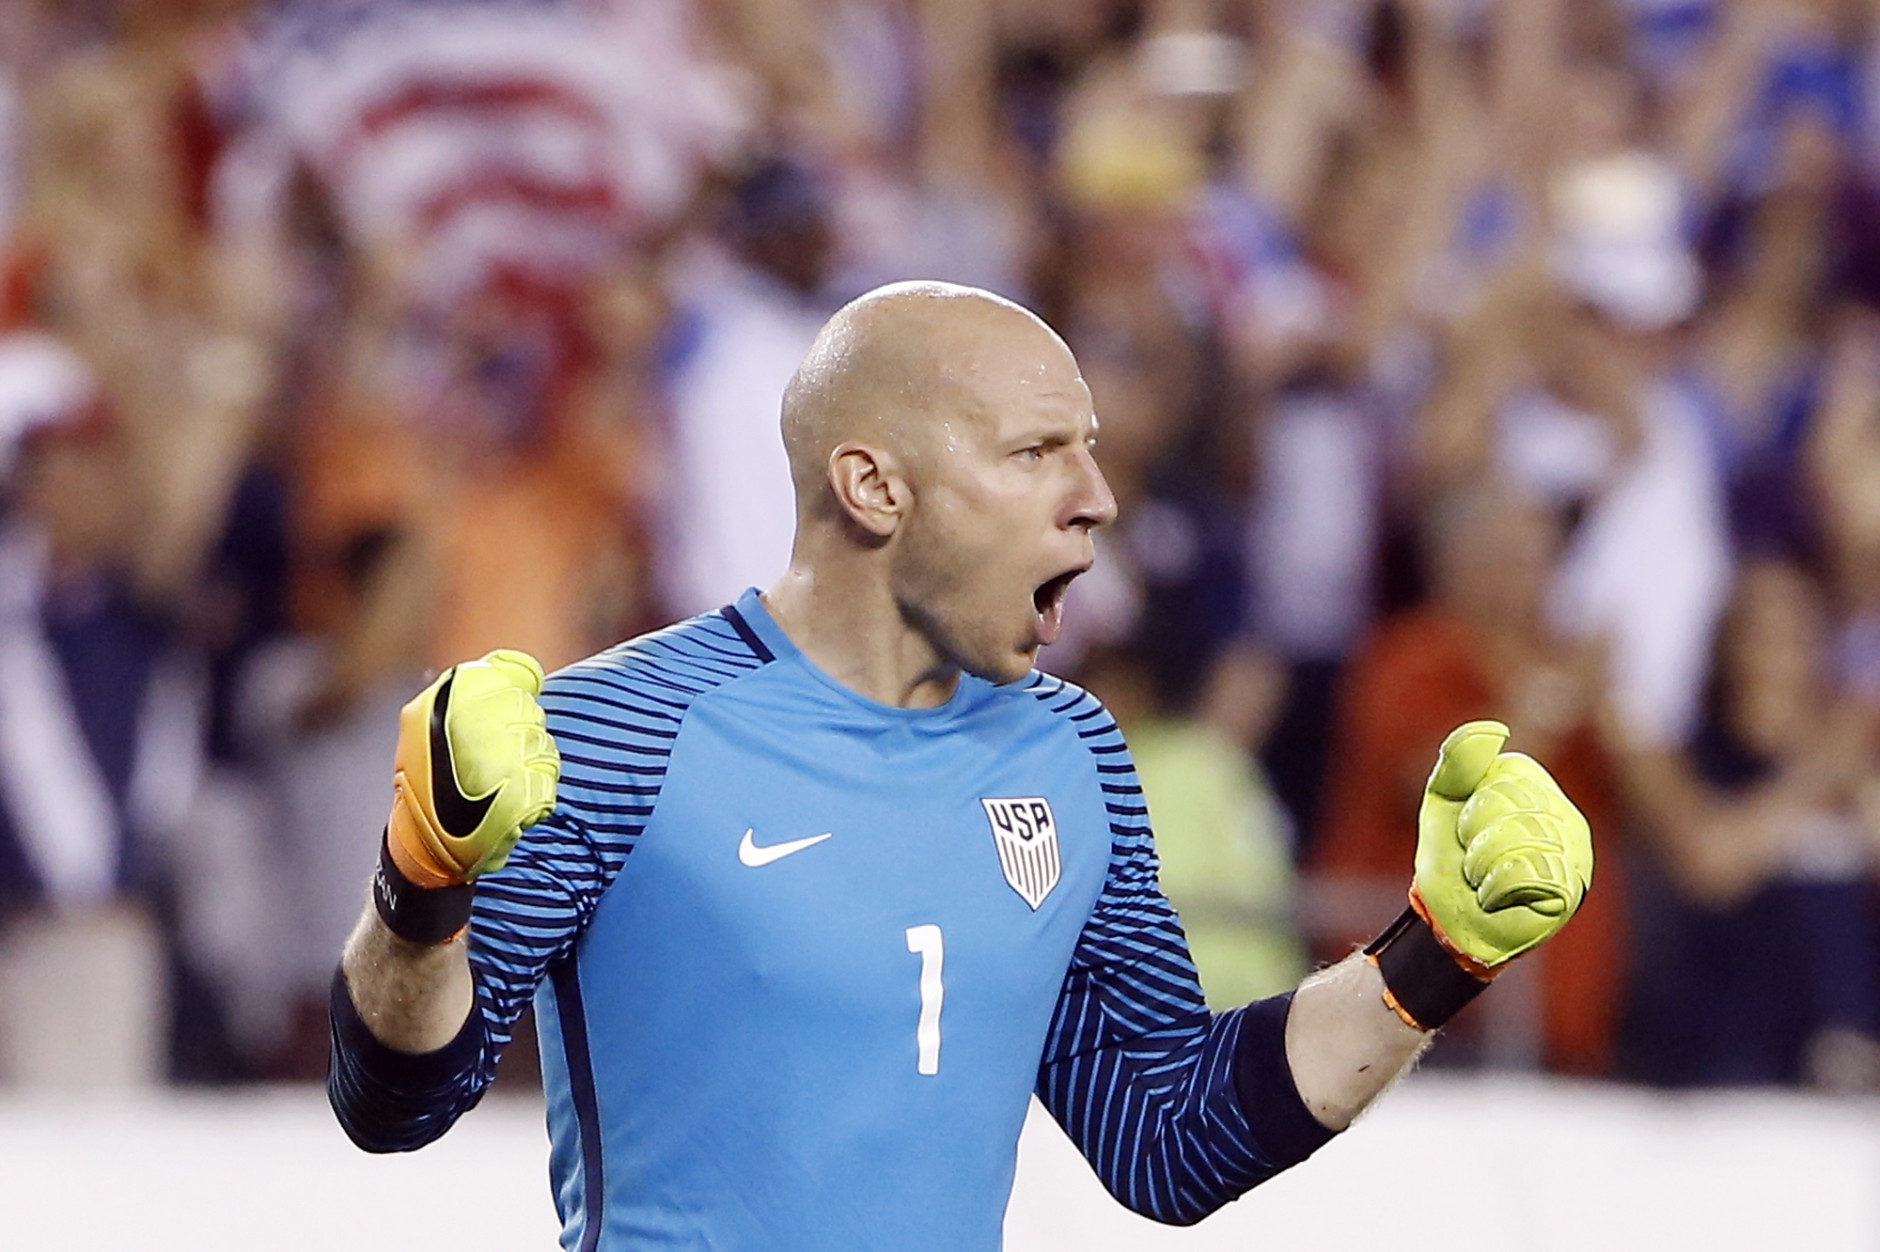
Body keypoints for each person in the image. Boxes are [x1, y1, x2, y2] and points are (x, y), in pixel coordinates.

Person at [328, 281, 1593, 1250]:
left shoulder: (1073, 750)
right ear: (874, 485)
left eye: (1089, 448)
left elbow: (1171, 1135)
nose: (1096, 495)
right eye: (1038, 451)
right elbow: (392, 1100)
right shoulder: (614, 732)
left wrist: (1434, 952)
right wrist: (422, 880)